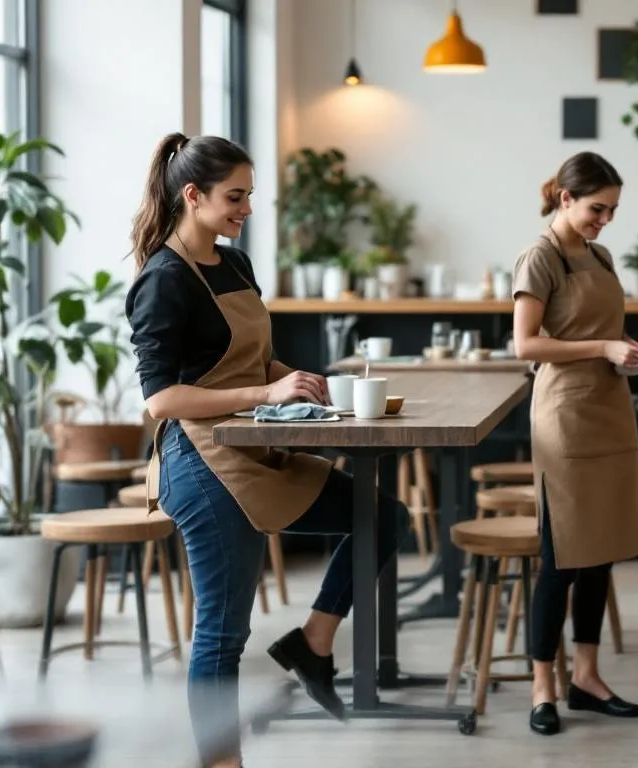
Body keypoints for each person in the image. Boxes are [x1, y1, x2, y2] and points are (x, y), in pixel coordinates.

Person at [125, 132, 405, 768]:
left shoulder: (235, 264)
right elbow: (161, 400)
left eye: (249, 195)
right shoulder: (163, 280)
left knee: (381, 515)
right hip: (202, 462)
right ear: (192, 196)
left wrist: (302, 381)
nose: (246, 209)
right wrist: (267, 391)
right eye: (235, 197)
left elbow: (255, 359)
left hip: (254, 448)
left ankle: (313, 642)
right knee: (223, 632)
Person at [510, 151, 638, 736]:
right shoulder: (540, 256)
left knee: (601, 548)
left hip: (609, 407)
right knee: (562, 555)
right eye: (598, 208)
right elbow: (526, 345)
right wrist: (602, 348)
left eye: (613, 210)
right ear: (566, 199)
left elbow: (603, 331)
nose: (605, 220)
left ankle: (587, 678)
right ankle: (543, 686)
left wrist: (631, 350)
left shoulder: (600, 255)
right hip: (565, 415)